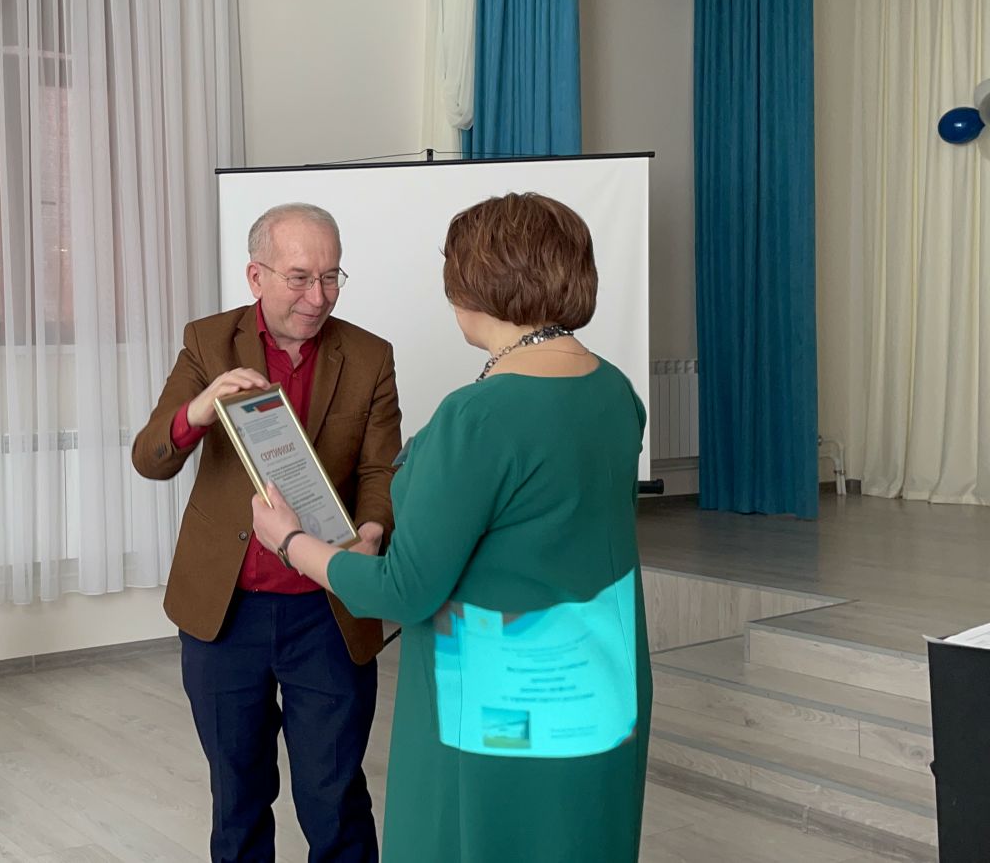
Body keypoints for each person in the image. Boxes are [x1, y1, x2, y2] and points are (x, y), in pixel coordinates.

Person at [251, 193, 650, 862]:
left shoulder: (477, 417)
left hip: (500, 706)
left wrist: (292, 543)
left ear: (476, 283)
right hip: (600, 689)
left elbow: (403, 591)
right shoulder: (614, 390)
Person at [132, 202, 402, 861]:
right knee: (238, 795)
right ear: (256, 276)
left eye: (332, 277)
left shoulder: (369, 356)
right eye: (300, 278)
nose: (319, 297)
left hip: (327, 611)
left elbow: (380, 470)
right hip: (226, 613)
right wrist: (200, 409)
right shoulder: (208, 342)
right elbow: (150, 457)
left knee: (333, 796)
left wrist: (371, 531)